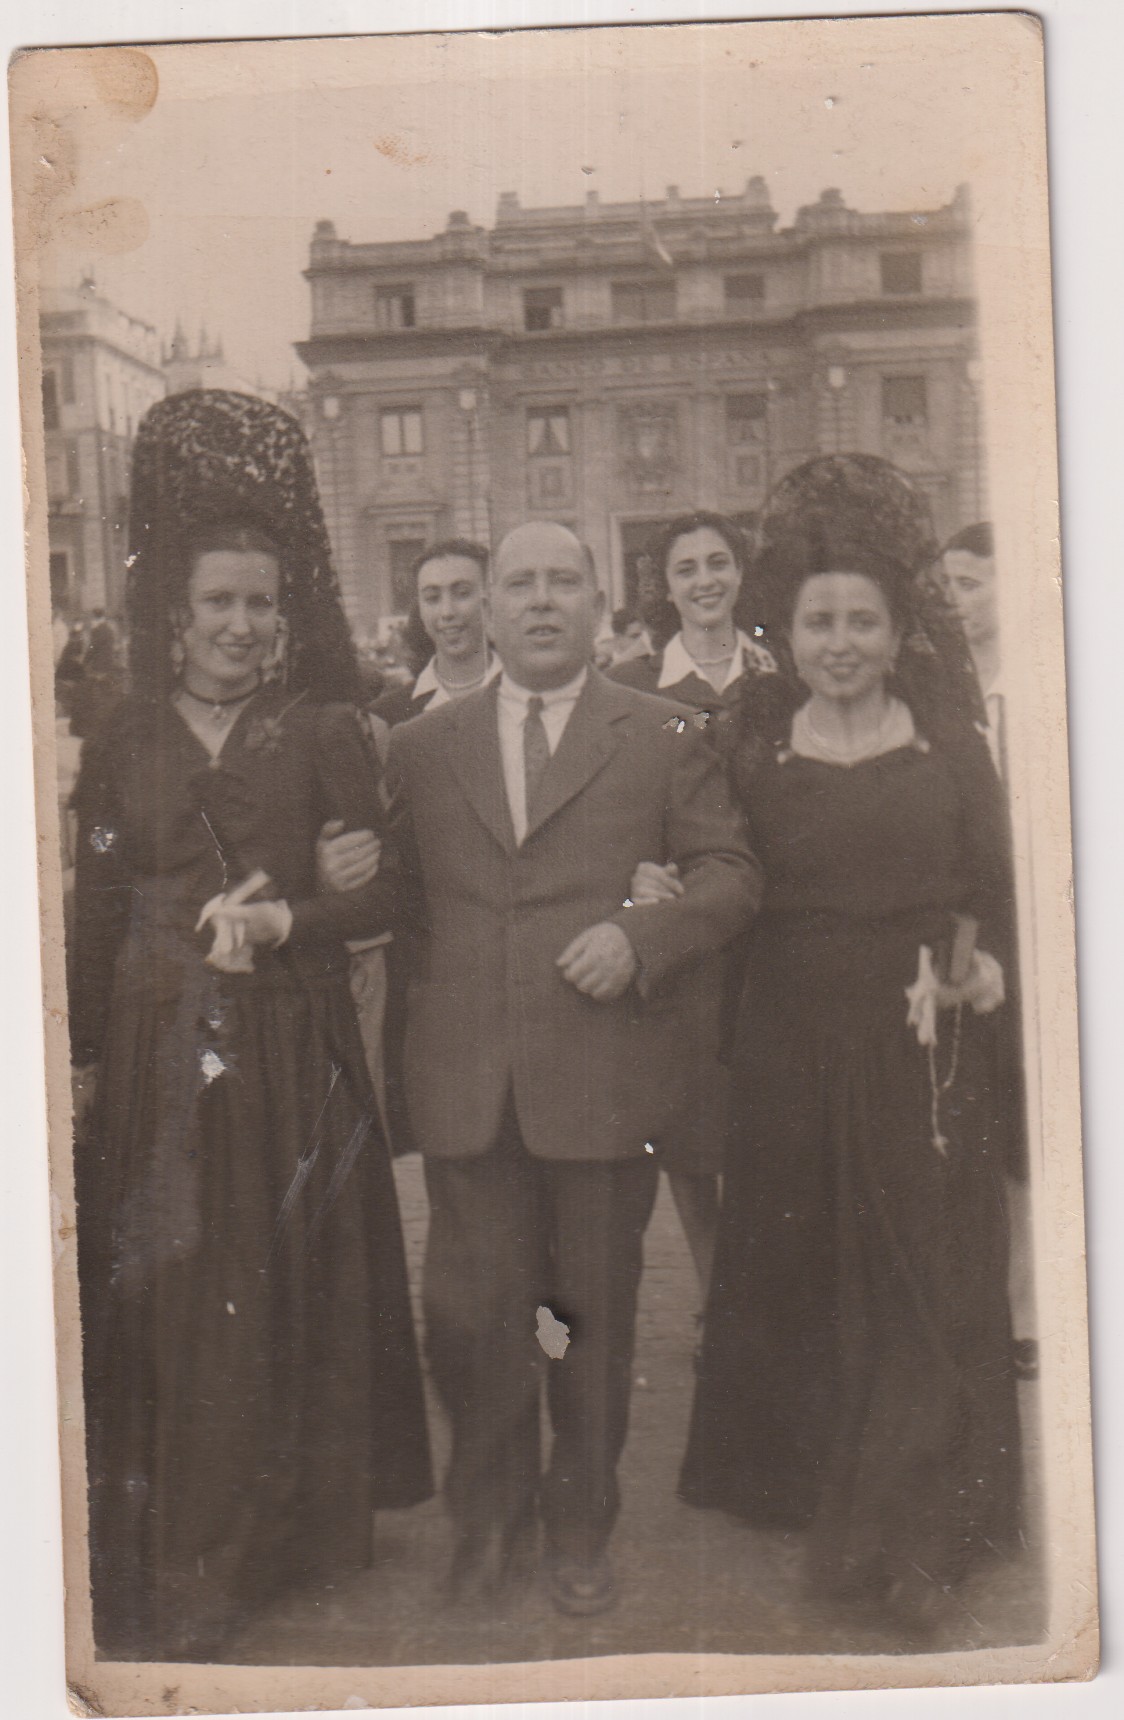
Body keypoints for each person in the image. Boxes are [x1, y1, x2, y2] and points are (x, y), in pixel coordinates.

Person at [69, 390, 432, 1662]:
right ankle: (192, 1555)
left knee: (279, 1284)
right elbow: (97, 893)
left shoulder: (324, 732)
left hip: (286, 1043)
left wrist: (298, 921)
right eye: (218, 603)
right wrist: (77, 1057)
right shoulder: (121, 740)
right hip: (162, 1043)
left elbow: (391, 889)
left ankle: (282, 1536)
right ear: (175, 616)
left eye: (260, 605)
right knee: (183, 1291)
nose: (240, 625)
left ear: (287, 620)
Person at [379, 520, 761, 1618]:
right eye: (518, 584)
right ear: (483, 610)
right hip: (469, 1086)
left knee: (581, 1318)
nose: (540, 601)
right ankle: (485, 1519)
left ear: (599, 603)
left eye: (563, 581)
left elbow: (730, 875)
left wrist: (644, 938)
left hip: (600, 1086)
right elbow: (397, 907)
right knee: (472, 1314)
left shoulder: (660, 732)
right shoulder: (420, 745)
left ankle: (578, 1521)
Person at [671, 457, 1022, 1637]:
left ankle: (916, 1527)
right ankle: (815, 1481)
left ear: (895, 630)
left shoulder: (950, 748)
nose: (837, 641)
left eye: (859, 621)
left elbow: (996, 892)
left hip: (919, 1050)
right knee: (813, 1272)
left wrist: (983, 970)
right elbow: (717, 883)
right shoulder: (752, 753)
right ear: (791, 627)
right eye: (818, 619)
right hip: (788, 1053)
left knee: (924, 1280)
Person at [611, 512, 775, 1300]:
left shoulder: (778, 676)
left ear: (739, 573)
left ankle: (766, 1294)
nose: (705, 580)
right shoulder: (641, 690)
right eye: (687, 569)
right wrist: (636, 877)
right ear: (665, 587)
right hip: (692, 932)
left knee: (766, 1118)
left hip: (775, 928)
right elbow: (620, 807)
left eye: (718, 563)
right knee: (693, 1128)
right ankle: (716, 1296)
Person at [941, 521, 1036, 1378]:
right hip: (989, 922)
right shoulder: (950, 695)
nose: (957, 602)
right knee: (999, 1111)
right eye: (949, 586)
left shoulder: (1055, 681)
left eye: (971, 582)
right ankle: (1009, 1304)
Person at [370, 539, 499, 731]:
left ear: (489, 599)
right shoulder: (386, 716)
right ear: (420, 609)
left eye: (462, 593)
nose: (447, 612)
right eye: (432, 598)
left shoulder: (530, 691)